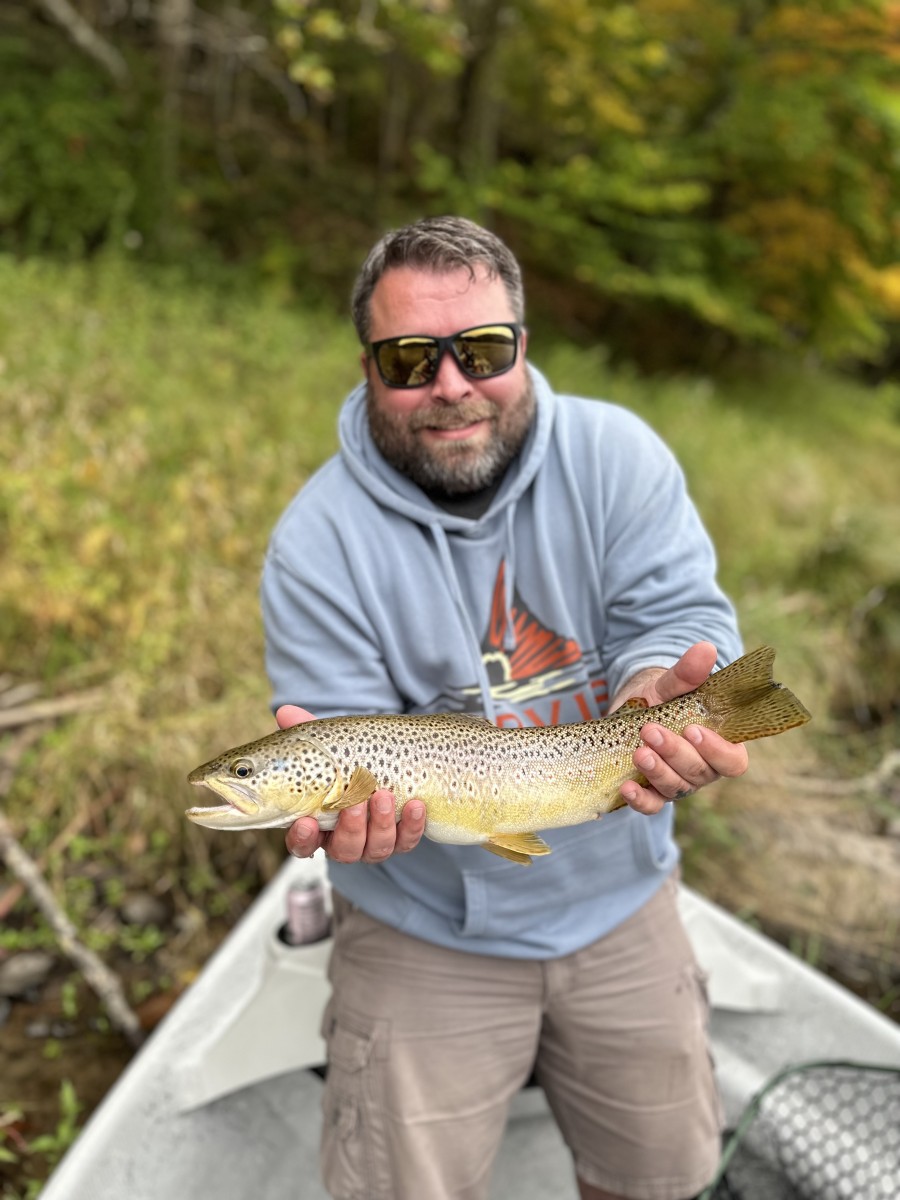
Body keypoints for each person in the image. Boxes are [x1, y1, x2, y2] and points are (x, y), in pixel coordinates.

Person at [260, 216, 748, 1200]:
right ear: (368, 368)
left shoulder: (618, 456)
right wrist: (362, 820)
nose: (451, 385)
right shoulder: (315, 543)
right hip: (421, 926)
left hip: (621, 896)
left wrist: (662, 692)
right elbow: (345, 731)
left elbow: (676, 613)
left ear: (522, 347)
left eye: (482, 351)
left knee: (659, 1179)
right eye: (411, 359)